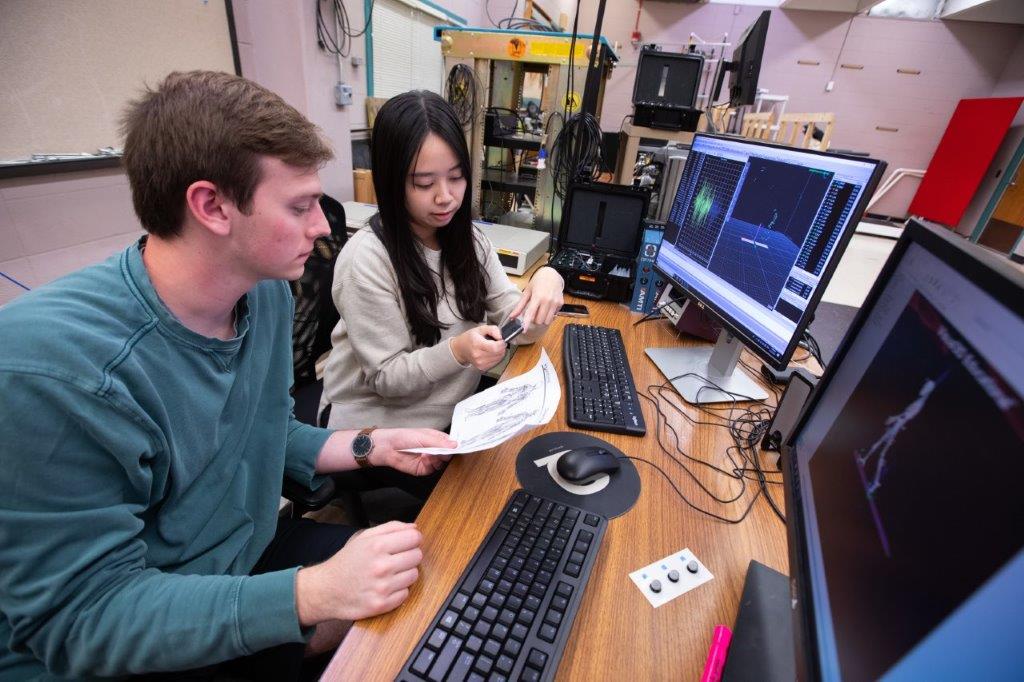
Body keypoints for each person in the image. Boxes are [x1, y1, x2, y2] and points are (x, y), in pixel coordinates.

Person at [0, 71, 455, 680]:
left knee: (436, 581)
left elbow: (260, 429)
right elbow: (81, 620)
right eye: (299, 206)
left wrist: (372, 447)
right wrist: (312, 593)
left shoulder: (263, 293)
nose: (323, 225)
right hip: (136, 631)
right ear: (211, 205)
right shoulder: (58, 373)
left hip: (238, 559)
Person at [319, 90, 565, 432]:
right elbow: (387, 379)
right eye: (424, 183)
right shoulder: (366, 261)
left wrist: (547, 282)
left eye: (456, 177)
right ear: (391, 182)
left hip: (453, 415)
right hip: (373, 429)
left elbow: (521, 328)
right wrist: (458, 352)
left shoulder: (470, 241)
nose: (445, 197)